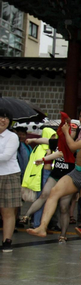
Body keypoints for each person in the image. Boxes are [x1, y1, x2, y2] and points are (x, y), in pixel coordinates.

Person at [27, 102, 81, 261]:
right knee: (54, 192)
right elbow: (66, 149)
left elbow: (74, 145)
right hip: (77, 171)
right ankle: (42, 227)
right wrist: (66, 131)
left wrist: (66, 133)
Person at [23, 124, 79, 243]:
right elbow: (45, 140)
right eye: (70, 130)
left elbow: (60, 154)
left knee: (64, 207)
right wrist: (33, 139)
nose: (71, 132)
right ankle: (26, 216)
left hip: (68, 178)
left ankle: (63, 235)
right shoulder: (58, 142)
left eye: (74, 131)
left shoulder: (76, 146)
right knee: (44, 195)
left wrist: (43, 159)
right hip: (55, 175)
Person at [0, 108, 20, 252]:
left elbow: (6, 156)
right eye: (1, 117)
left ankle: (7, 241)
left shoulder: (12, 137)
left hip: (9, 175)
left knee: (7, 211)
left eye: (6, 118)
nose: (3, 120)